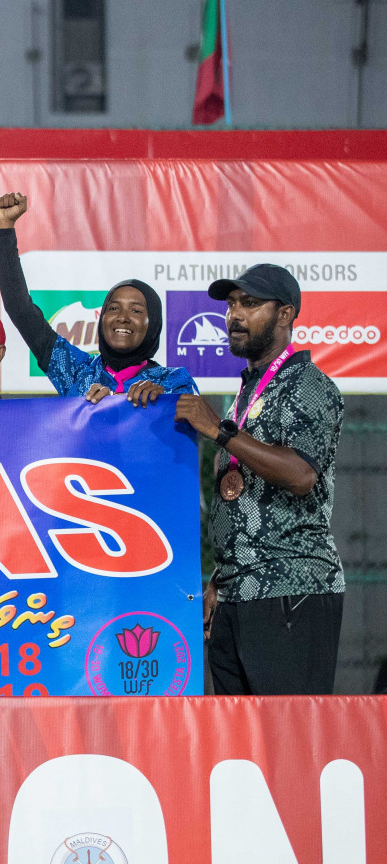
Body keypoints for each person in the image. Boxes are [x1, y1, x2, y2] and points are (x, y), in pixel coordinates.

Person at [175, 264, 345, 695]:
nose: (234, 315)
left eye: (249, 304)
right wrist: (219, 577)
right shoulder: (246, 394)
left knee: (287, 740)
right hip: (237, 593)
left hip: (291, 587)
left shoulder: (309, 384)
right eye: (231, 304)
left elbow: (301, 474)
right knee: (241, 746)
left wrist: (220, 431)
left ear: (285, 314)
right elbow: (241, 502)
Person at [0, 192, 196, 404]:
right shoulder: (75, 370)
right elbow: (20, 309)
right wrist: (4, 228)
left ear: (153, 325)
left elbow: (194, 427)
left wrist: (160, 403)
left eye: (136, 311)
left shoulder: (174, 382)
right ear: (102, 318)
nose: (122, 318)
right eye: (113, 308)